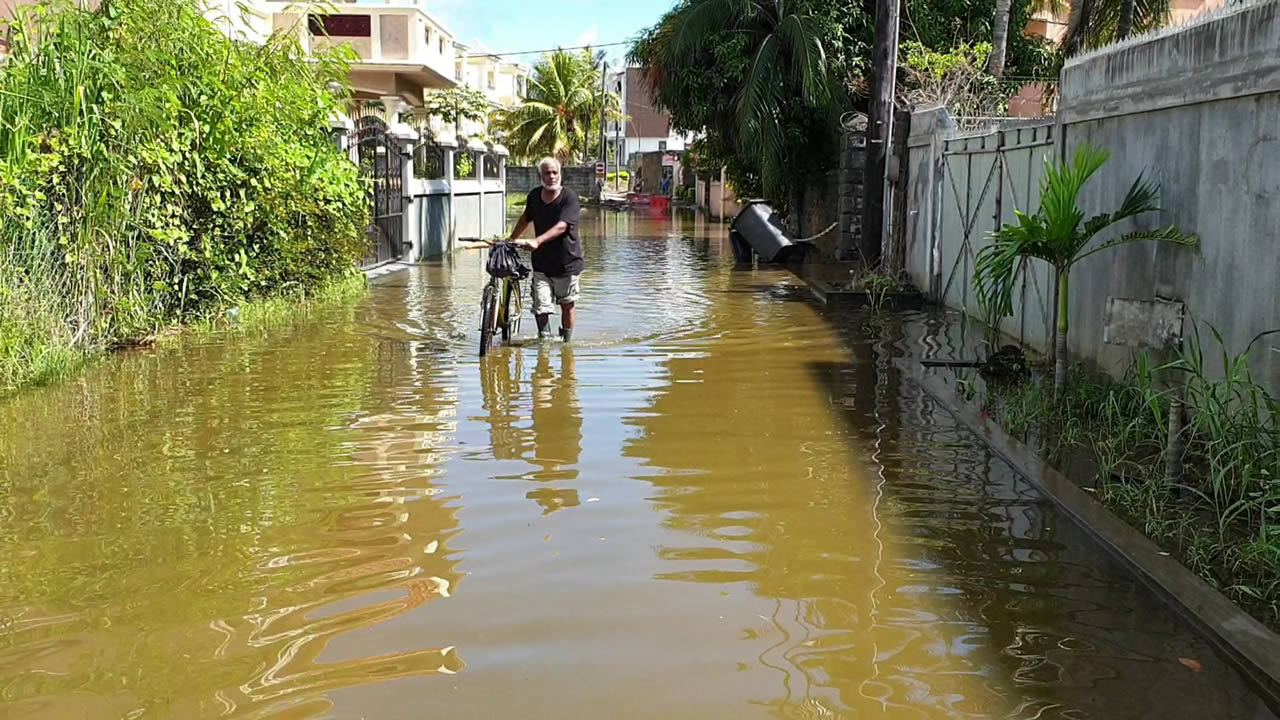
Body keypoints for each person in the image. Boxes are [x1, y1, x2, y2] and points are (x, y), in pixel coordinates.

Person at [507, 157, 583, 342]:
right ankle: (545, 340)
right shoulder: (534, 196)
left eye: (555, 172)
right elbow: (526, 218)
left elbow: (562, 226)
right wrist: (512, 239)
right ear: (540, 176)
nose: (551, 176)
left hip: (567, 263)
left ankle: (566, 344)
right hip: (541, 264)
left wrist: (537, 241)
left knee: (567, 304)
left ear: (560, 174)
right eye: (547, 173)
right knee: (540, 306)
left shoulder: (569, 198)